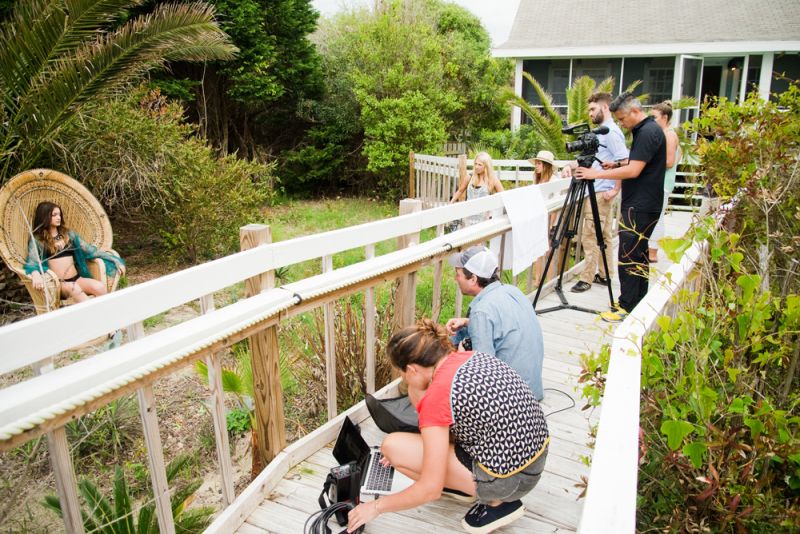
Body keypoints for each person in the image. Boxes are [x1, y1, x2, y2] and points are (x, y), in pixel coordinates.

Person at [346, 320, 549, 534]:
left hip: (511, 483)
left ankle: (498, 504)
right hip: (534, 459)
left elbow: (430, 489)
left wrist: (375, 507)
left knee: (392, 447)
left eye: (403, 375)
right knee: (404, 452)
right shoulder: (469, 357)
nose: (404, 380)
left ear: (412, 369)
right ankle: (466, 487)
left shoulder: (438, 394)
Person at [574, 92, 666, 323]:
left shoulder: (647, 132)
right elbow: (638, 163)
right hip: (644, 203)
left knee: (628, 256)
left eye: (623, 119)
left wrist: (597, 173)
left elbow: (634, 171)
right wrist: (616, 164)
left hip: (641, 205)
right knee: (638, 255)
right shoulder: (649, 130)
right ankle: (636, 300)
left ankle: (626, 306)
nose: (622, 124)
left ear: (635, 111)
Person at [444, 246, 545, 400]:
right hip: (532, 389)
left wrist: (462, 358)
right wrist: (467, 322)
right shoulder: (512, 291)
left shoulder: (482, 311)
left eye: (458, 274)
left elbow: (483, 371)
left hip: (511, 401)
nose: (455, 278)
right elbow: (503, 326)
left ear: (473, 279)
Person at [567, 92, 630, 293]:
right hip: (599, 190)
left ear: (604, 108)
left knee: (590, 236)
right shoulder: (605, 131)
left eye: (593, 109)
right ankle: (606, 274)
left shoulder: (610, 132)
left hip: (600, 191)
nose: (590, 113)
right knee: (604, 235)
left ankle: (586, 278)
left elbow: (623, 161)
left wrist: (615, 189)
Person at [24, 201, 125, 304]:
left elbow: (89, 250)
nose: (58, 217)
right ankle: (95, 316)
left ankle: (106, 316)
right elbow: (32, 262)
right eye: (54, 215)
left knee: (99, 287)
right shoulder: (39, 240)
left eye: (59, 214)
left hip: (77, 279)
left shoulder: (68, 235)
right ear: (44, 217)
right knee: (74, 288)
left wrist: (114, 260)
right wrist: (35, 274)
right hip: (60, 284)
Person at [647, 101, 682, 262]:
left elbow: (669, 161)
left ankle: (652, 252)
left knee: (657, 218)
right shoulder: (670, 134)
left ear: (665, 117)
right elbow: (679, 155)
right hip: (661, 183)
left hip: (662, 184)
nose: (652, 121)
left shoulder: (668, 135)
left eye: (655, 117)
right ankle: (651, 250)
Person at [531, 150, 567, 283]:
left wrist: (550, 226)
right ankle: (537, 281)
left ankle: (550, 282)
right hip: (539, 220)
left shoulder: (554, 181)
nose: (536, 166)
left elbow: (555, 208)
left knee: (548, 252)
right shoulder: (537, 180)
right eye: (536, 163)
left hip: (551, 222)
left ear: (546, 165)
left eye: (539, 163)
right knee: (537, 253)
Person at [450, 152, 504, 226]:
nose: (476, 167)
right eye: (475, 164)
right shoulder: (469, 177)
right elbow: (460, 191)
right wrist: (450, 203)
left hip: (484, 219)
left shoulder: (492, 180)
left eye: (479, 165)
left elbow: (503, 195)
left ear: (486, 166)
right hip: (468, 216)